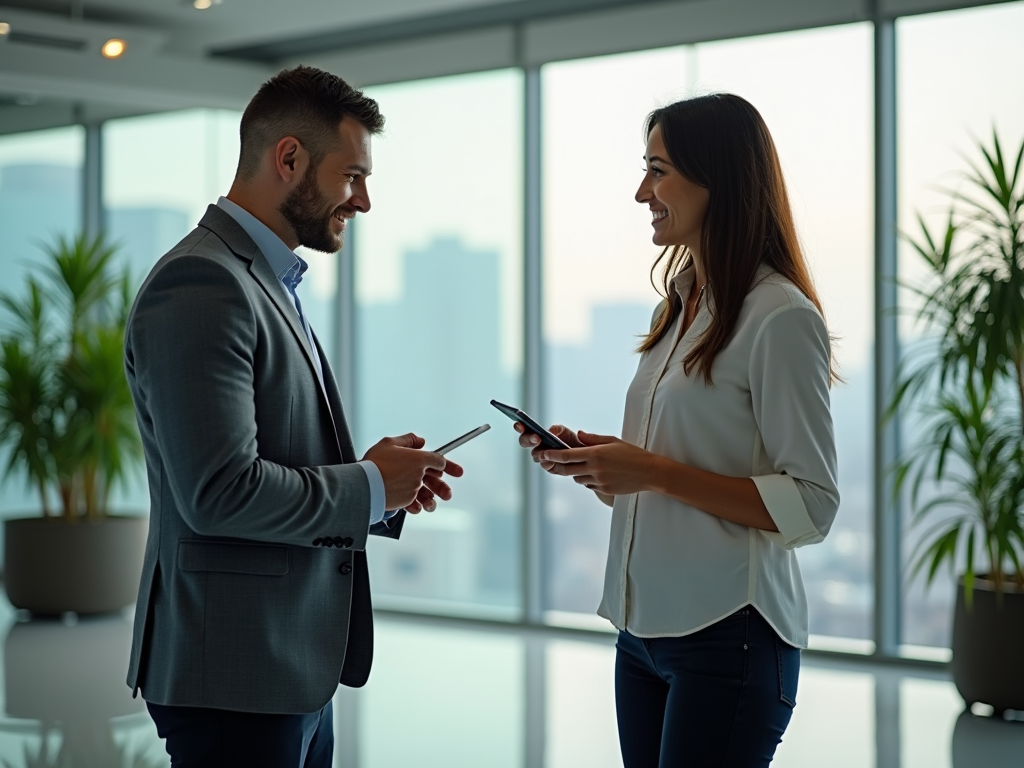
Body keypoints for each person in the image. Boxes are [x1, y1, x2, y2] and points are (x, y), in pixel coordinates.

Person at [124, 65, 463, 768]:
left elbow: (268, 456)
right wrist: (367, 486)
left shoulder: (260, 279)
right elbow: (219, 493)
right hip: (234, 679)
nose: (364, 201)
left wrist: (376, 484)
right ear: (289, 159)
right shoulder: (204, 283)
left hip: (283, 668)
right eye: (353, 176)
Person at [517, 93, 840, 767]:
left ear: (716, 178)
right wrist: (603, 467)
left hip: (731, 637)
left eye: (658, 170)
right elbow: (668, 480)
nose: (643, 192)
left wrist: (652, 470)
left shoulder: (780, 317)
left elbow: (811, 505)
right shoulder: (679, 308)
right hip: (641, 635)